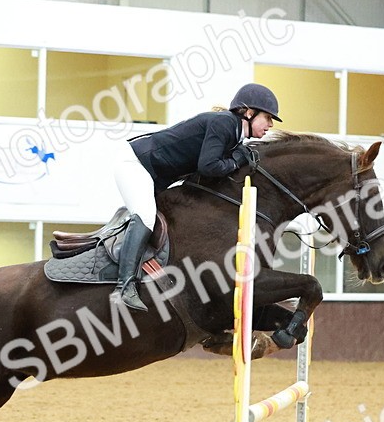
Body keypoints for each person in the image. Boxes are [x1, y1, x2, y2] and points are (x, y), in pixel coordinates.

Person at [111, 83, 281, 311]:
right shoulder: (225, 124)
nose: (270, 125)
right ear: (249, 113)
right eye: (268, 117)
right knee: (146, 217)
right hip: (135, 164)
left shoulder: (234, 134)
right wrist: (236, 160)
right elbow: (209, 166)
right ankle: (123, 288)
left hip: (153, 174)